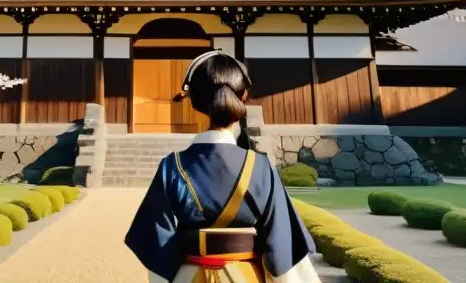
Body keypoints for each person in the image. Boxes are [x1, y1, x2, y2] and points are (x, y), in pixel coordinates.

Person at [124, 50, 321, 283]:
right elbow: (283, 247)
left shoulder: (172, 167)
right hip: (246, 276)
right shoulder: (259, 167)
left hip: (189, 276)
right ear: (243, 96)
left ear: (194, 101)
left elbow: (157, 245)